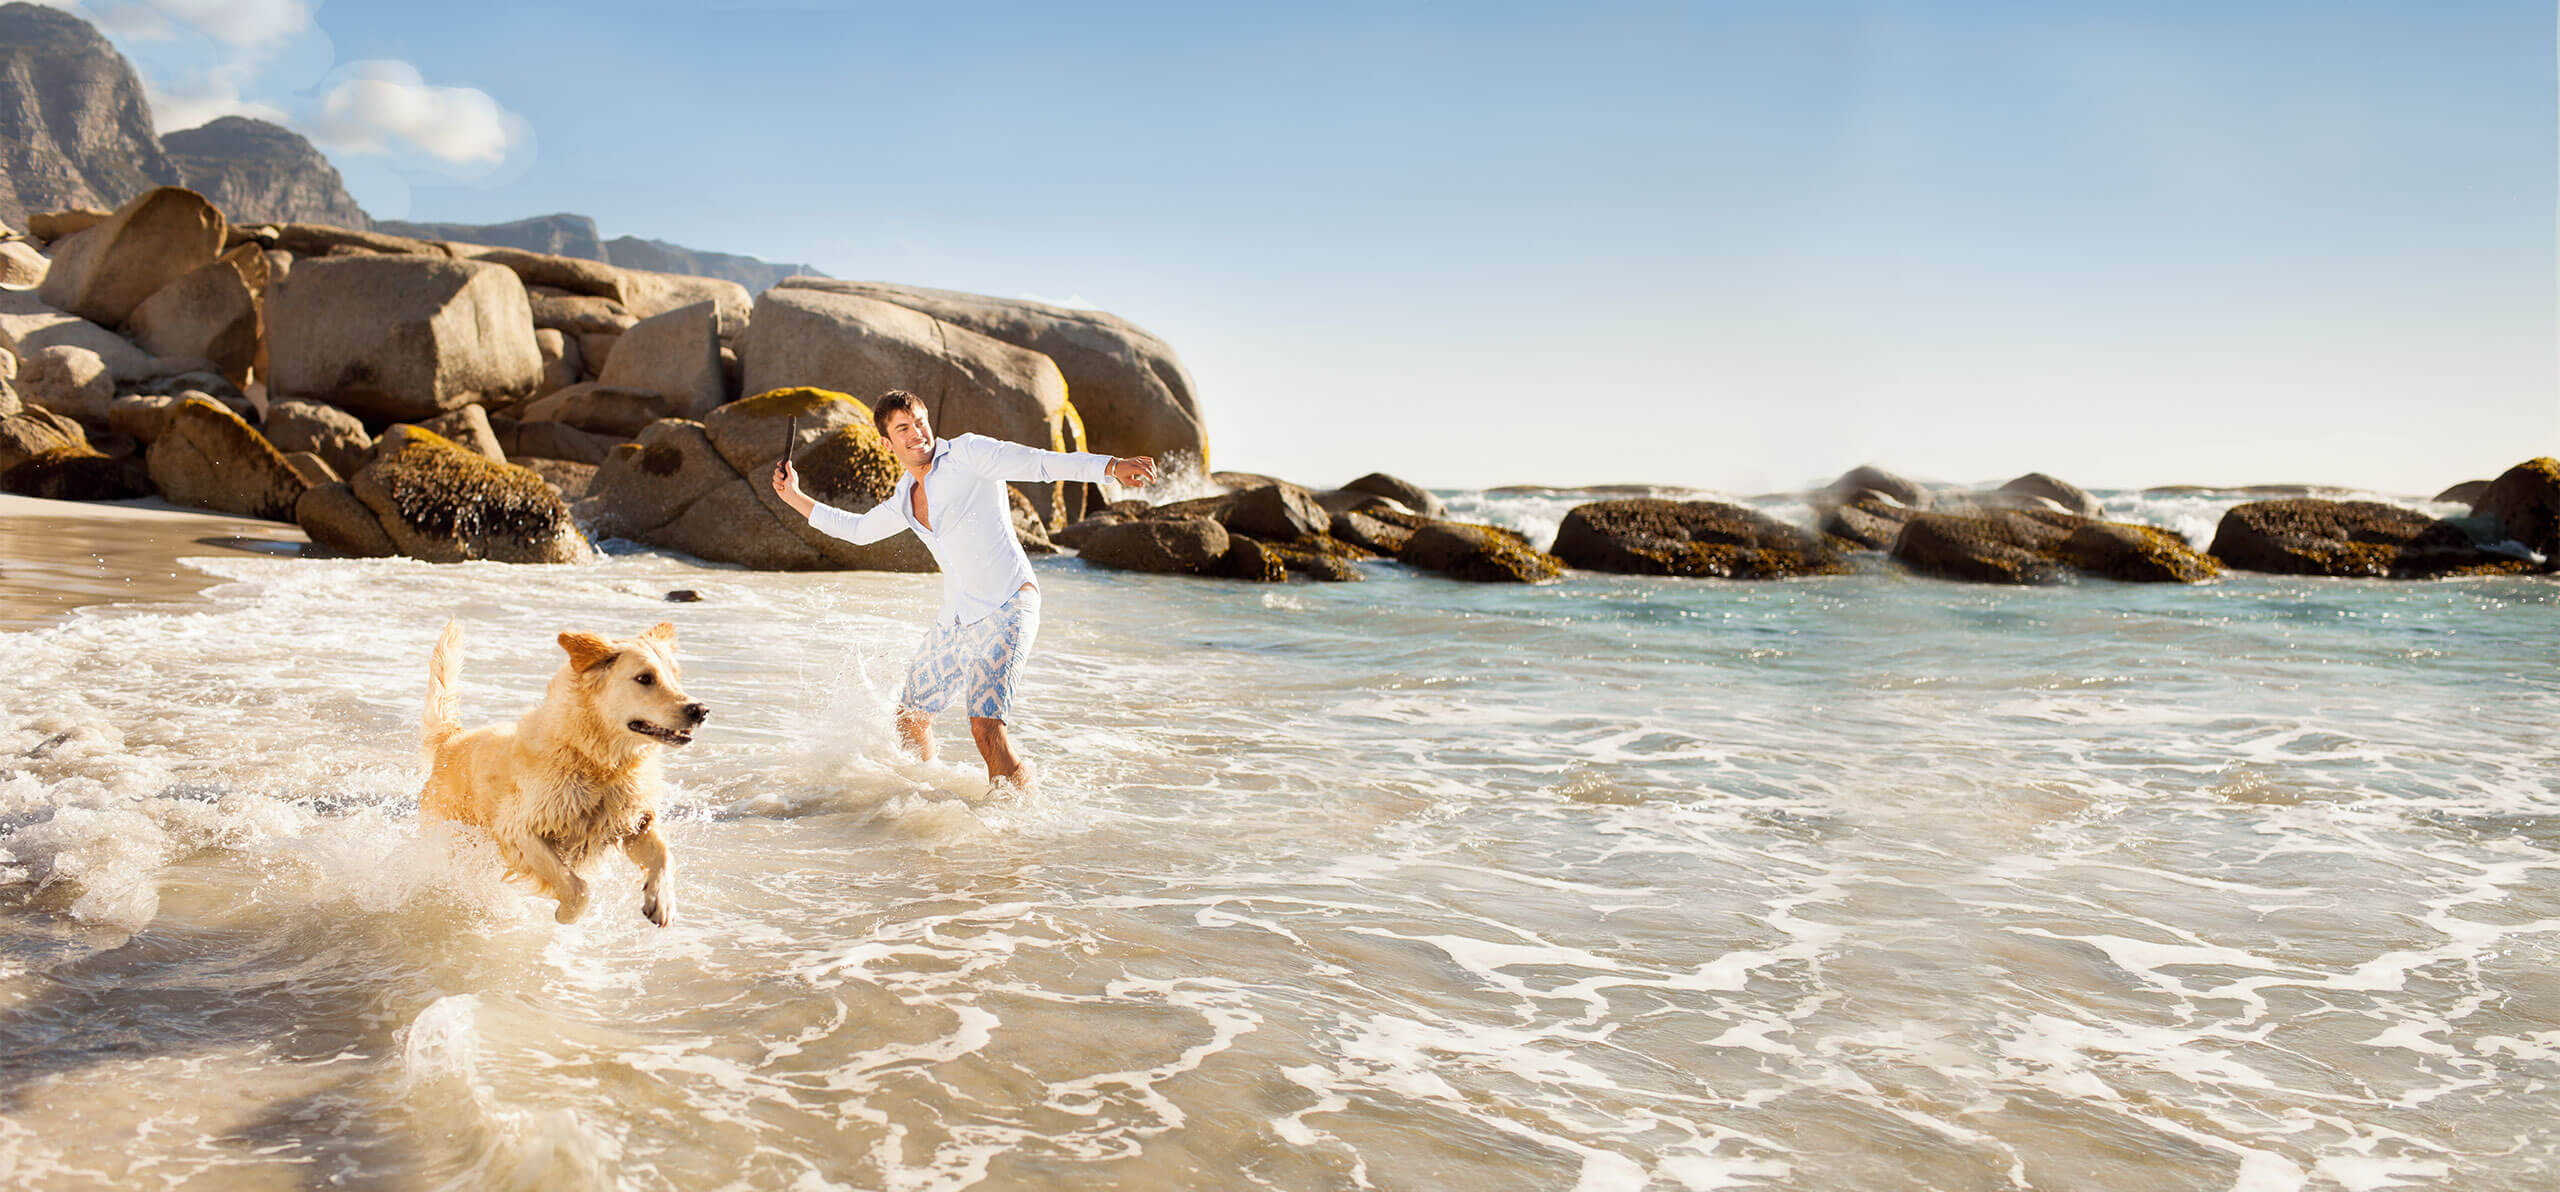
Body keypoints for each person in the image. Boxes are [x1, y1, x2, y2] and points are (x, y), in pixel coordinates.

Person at [770, 390, 1158, 786]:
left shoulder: (968, 454)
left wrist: (1110, 466)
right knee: (910, 719)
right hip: (956, 621)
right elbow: (857, 531)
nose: (917, 432)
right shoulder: (904, 497)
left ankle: (1017, 822)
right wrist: (794, 497)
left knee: (986, 730)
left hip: (1008, 604)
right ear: (887, 443)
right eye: (903, 428)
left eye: (920, 422)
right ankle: (922, 795)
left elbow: (1040, 462)